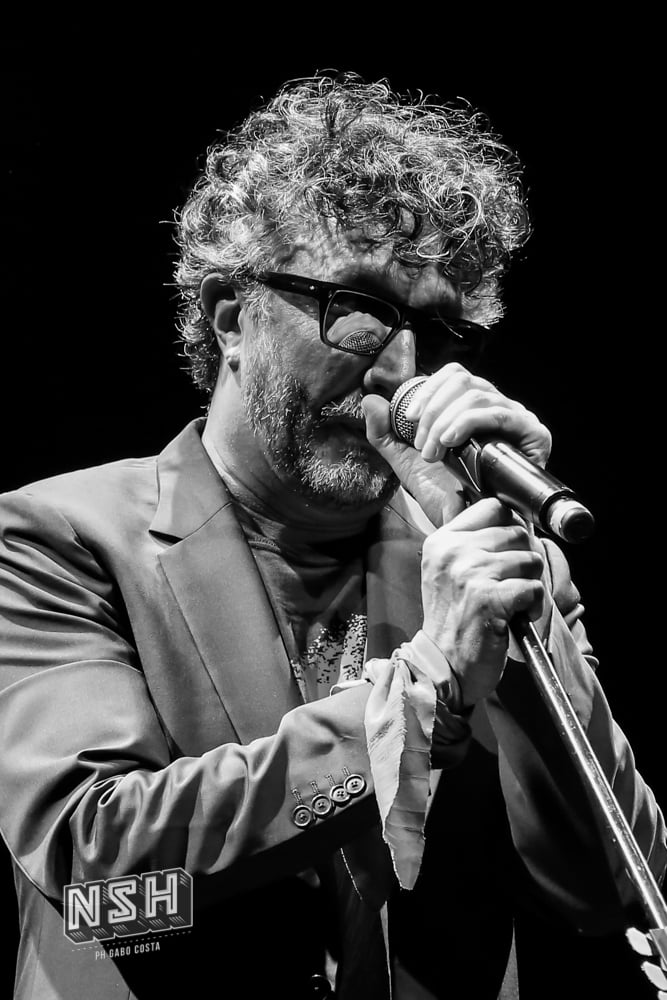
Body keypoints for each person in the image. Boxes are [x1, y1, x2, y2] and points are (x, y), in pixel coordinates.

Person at [0, 73, 664, 1000]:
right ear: (231, 315)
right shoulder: (59, 536)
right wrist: (421, 696)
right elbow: (97, 877)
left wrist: (521, 623)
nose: (400, 369)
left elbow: (606, 893)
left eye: (435, 329)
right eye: (357, 307)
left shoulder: (488, 562)